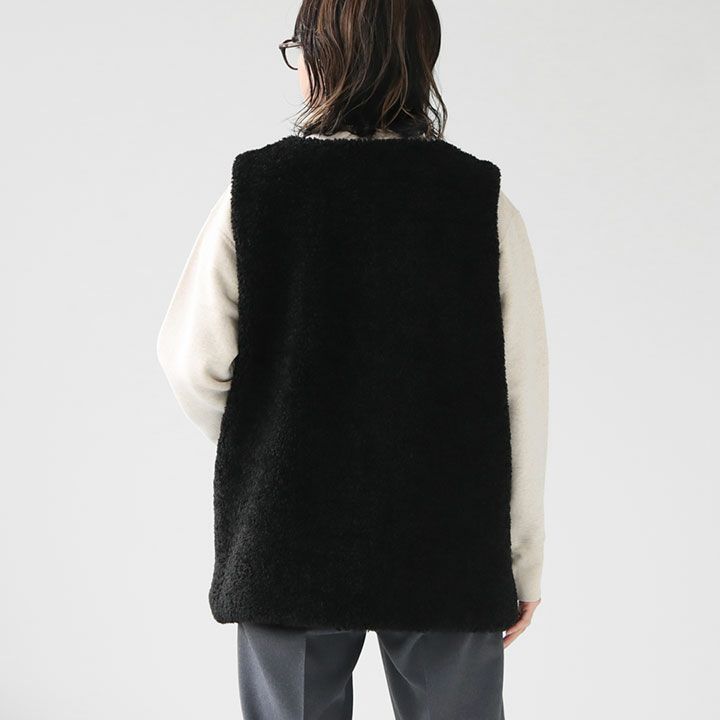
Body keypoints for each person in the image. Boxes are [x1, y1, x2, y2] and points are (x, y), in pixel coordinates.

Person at [157, 0, 549, 717]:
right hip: (447, 539)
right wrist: (521, 560)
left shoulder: (255, 192)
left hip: (288, 538)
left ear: (321, 58)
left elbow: (192, 363)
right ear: (420, 59)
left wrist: (273, 447)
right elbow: (520, 393)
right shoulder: (482, 203)